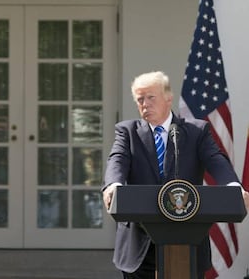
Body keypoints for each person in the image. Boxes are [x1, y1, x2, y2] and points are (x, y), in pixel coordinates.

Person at [101, 71, 249, 279]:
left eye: (151, 97)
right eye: (140, 99)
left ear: (168, 98)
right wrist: (113, 185)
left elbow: (216, 160)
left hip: (187, 238)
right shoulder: (128, 132)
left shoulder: (196, 131)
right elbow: (117, 160)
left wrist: (233, 186)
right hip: (139, 242)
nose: (145, 104)